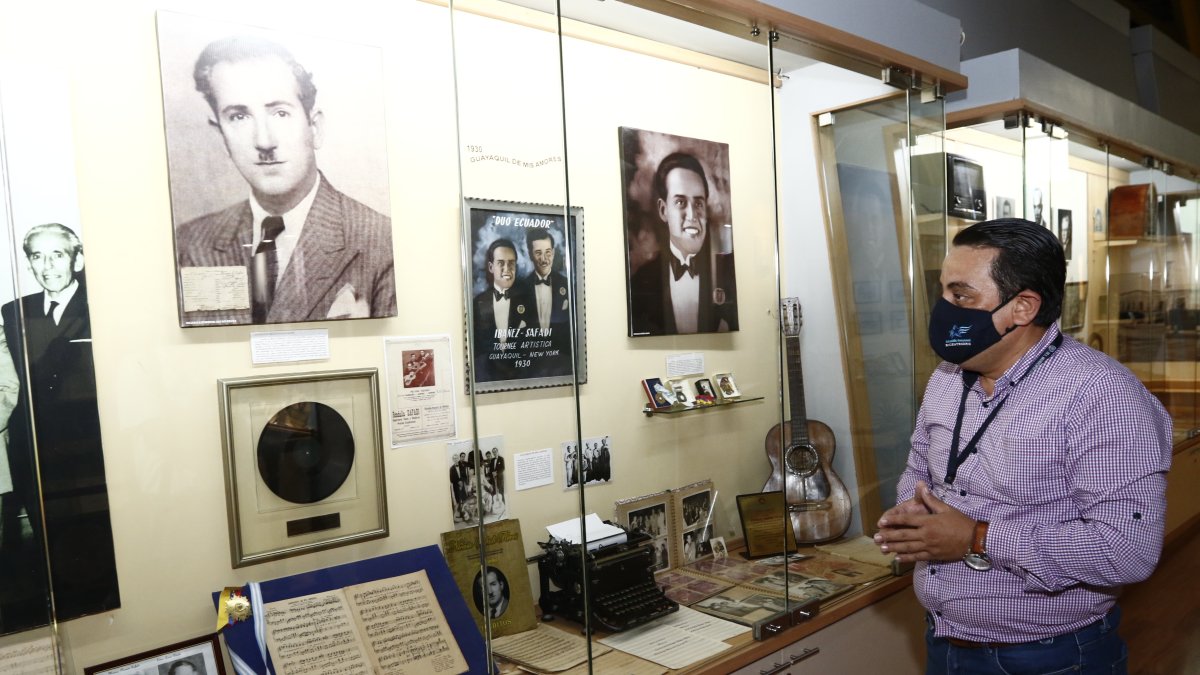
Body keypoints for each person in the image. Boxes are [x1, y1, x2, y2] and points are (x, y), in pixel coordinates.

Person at [873, 218, 1172, 674]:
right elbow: (920, 464)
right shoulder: (947, 378)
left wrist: (977, 538)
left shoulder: (1102, 396)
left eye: (962, 295)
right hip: (943, 638)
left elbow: (1126, 549)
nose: (944, 309)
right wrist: (912, 515)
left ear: (1023, 306)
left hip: (1050, 656)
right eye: (943, 292)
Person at [175, 35, 396, 325]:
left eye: (280, 112)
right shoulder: (190, 245)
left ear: (314, 127)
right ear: (221, 134)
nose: (264, 141)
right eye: (239, 117)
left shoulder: (378, 240)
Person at [1, 223, 120, 627]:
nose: (48, 265)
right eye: (38, 256)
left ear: (77, 258)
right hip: (34, 455)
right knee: (51, 547)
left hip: (89, 455)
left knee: (96, 542)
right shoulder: (13, 312)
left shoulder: (102, 306)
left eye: (57, 255)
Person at [628, 152, 737, 336]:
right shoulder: (640, 283)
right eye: (680, 202)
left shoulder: (727, 275)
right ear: (663, 210)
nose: (693, 216)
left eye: (698, 204)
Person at [517, 229, 572, 376]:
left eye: (548, 252)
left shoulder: (568, 286)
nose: (544, 259)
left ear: (553, 253)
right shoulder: (519, 289)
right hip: (529, 368)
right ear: (530, 254)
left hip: (563, 366)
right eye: (538, 253)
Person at [472, 239, 529, 381]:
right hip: (486, 378)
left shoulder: (528, 301)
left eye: (511, 263)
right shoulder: (478, 303)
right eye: (501, 263)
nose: (507, 269)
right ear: (491, 267)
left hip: (522, 378)